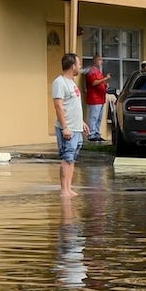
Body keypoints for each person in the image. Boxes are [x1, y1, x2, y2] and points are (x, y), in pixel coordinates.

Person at [49, 53, 84, 195]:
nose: (80, 67)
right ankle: (64, 189)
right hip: (68, 128)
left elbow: (73, 105)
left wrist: (82, 122)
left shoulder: (72, 82)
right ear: (72, 66)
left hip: (76, 127)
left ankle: (69, 187)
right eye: (79, 64)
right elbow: (58, 106)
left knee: (72, 158)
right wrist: (65, 128)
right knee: (67, 157)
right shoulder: (60, 82)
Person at [81, 57, 109, 142]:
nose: (101, 62)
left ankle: (97, 133)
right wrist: (105, 78)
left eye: (102, 60)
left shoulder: (98, 71)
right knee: (93, 117)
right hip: (94, 98)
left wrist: (105, 85)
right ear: (95, 60)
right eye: (100, 60)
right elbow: (94, 83)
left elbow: (100, 82)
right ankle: (91, 134)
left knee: (99, 118)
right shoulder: (90, 71)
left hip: (101, 98)